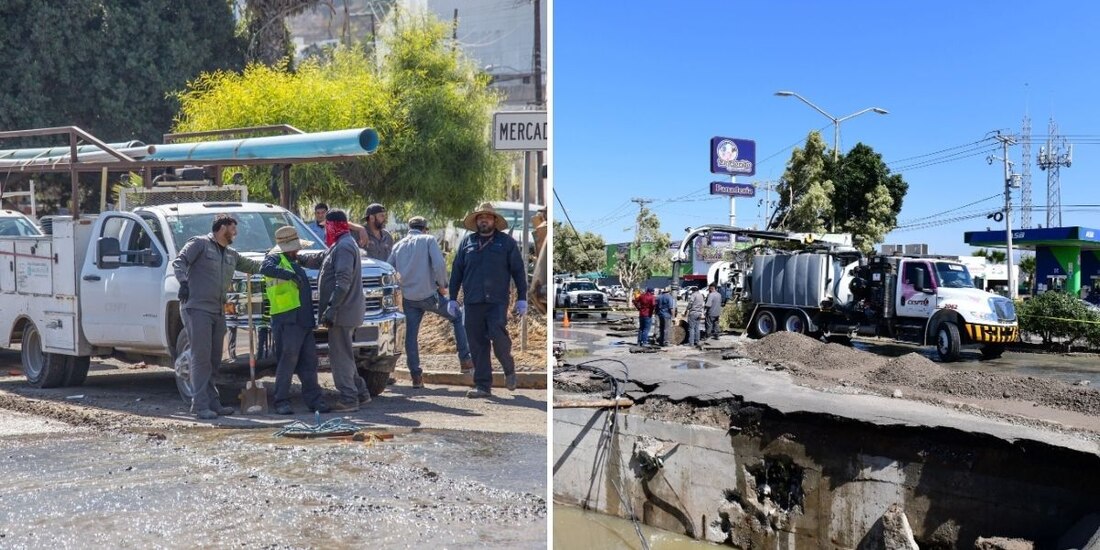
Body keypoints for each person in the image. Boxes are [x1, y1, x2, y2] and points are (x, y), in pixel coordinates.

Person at [172, 214, 262, 419]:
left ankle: (213, 402)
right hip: (197, 309)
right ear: (222, 228)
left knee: (214, 358)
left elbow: (254, 266)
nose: (235, 233)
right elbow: (179, 262)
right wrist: (183, 282)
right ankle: (199, 405)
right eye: (233, 229)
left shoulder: (231, 254)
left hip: (218, 310)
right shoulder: (200, 244)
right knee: (201, 357)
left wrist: (279, 262)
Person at [448, 202, 527, 399]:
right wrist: (452, 299)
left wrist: (522, 298)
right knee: (477, 344)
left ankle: (508, 368)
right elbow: (456, 272)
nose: (484, 220)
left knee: (498, 337)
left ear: (494, 221)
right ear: (476, 222)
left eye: (488, 217)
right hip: (473, 301)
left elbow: (518, 271)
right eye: (480, 217)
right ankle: (483, 386)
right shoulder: (467, 243)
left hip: (497, 301)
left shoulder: (506, 243)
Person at [388, 216, 474, 388]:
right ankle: (465, 359)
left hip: (409, 299)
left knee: (411, 336)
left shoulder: (398, 245)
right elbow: (439, 264)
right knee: (457, 316)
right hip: (429, 295)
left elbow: (389, 269)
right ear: (425, 228)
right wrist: (443, 285)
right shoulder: (428, 240)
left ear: (409, 228)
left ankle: (416, 377)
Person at [298, 209, 370, 412]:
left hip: (342, 313)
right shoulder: (339, 244)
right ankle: (361, 393)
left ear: (334, 225)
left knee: (340, 357)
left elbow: (343, 282)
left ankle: (349, 399)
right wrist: (299, 258)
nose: (325, 229)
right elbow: (321, 257)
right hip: (344, 311)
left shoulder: (345, 246)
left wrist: (331, 309)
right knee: (345, 354)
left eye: (327, 225)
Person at [260, 226, 330, 415]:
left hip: (303, 320)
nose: (297, 250)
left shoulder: (293, 259)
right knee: (288, 361)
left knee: (309, 362)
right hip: (287, 319)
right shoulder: (274, 258)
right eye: (295, 247)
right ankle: (281, 401)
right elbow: (264, 268)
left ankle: (315, 401)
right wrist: (289, 275)